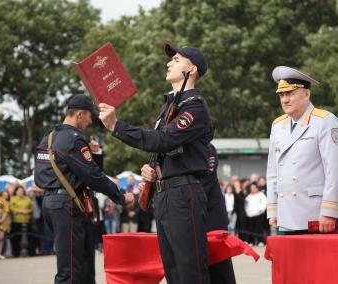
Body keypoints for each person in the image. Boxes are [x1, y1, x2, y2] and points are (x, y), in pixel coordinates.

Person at [99, 43, 213, 284]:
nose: (169, 62)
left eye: (177, 60)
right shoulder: (171, 106)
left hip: (183, 194)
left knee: (190, 270)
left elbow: (164, 139)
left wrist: (116, 127)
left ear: (191, 70)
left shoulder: (194, 107)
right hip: (165, 194)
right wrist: (155, 170)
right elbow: (167, 148)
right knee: (172, 270)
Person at [34, 94, 134, 284]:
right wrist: (121, 196)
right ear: (79, 114)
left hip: (53, 203)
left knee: (81, 262)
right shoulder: (74, 139)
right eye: (89, 116)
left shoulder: (48, 138)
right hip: (68, 206)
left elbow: (44, 177)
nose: (90, 121)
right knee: (71, 269)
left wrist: (94, 154)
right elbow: (93, 176)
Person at [266, 66, 338, 234]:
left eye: (290, 94)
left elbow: (336, 171)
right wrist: (273, 208)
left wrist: (330, 211)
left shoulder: (325, 121)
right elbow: (273, 171)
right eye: (281, 95)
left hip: (317, 216)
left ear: (306, 94)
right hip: (286, 216)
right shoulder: (277, 125)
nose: (285, 100)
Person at [201, 143, 236, 284]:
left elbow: (205, 182)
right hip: (189, 211)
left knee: (219, 262)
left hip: (212, 213)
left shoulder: (207, 147)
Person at [9, 185, 32, 257]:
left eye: (22, 191)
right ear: (16, 192)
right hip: (16, 221)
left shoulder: (27, 199)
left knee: (28, 237)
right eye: (19, 191)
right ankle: (16, 253)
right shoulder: (13, 199)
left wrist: (27, 211)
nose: (20, 192)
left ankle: (28, 252)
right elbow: (11, 208)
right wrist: (20, 211)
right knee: (16, 238)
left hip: (26, 220)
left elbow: (31, 208)